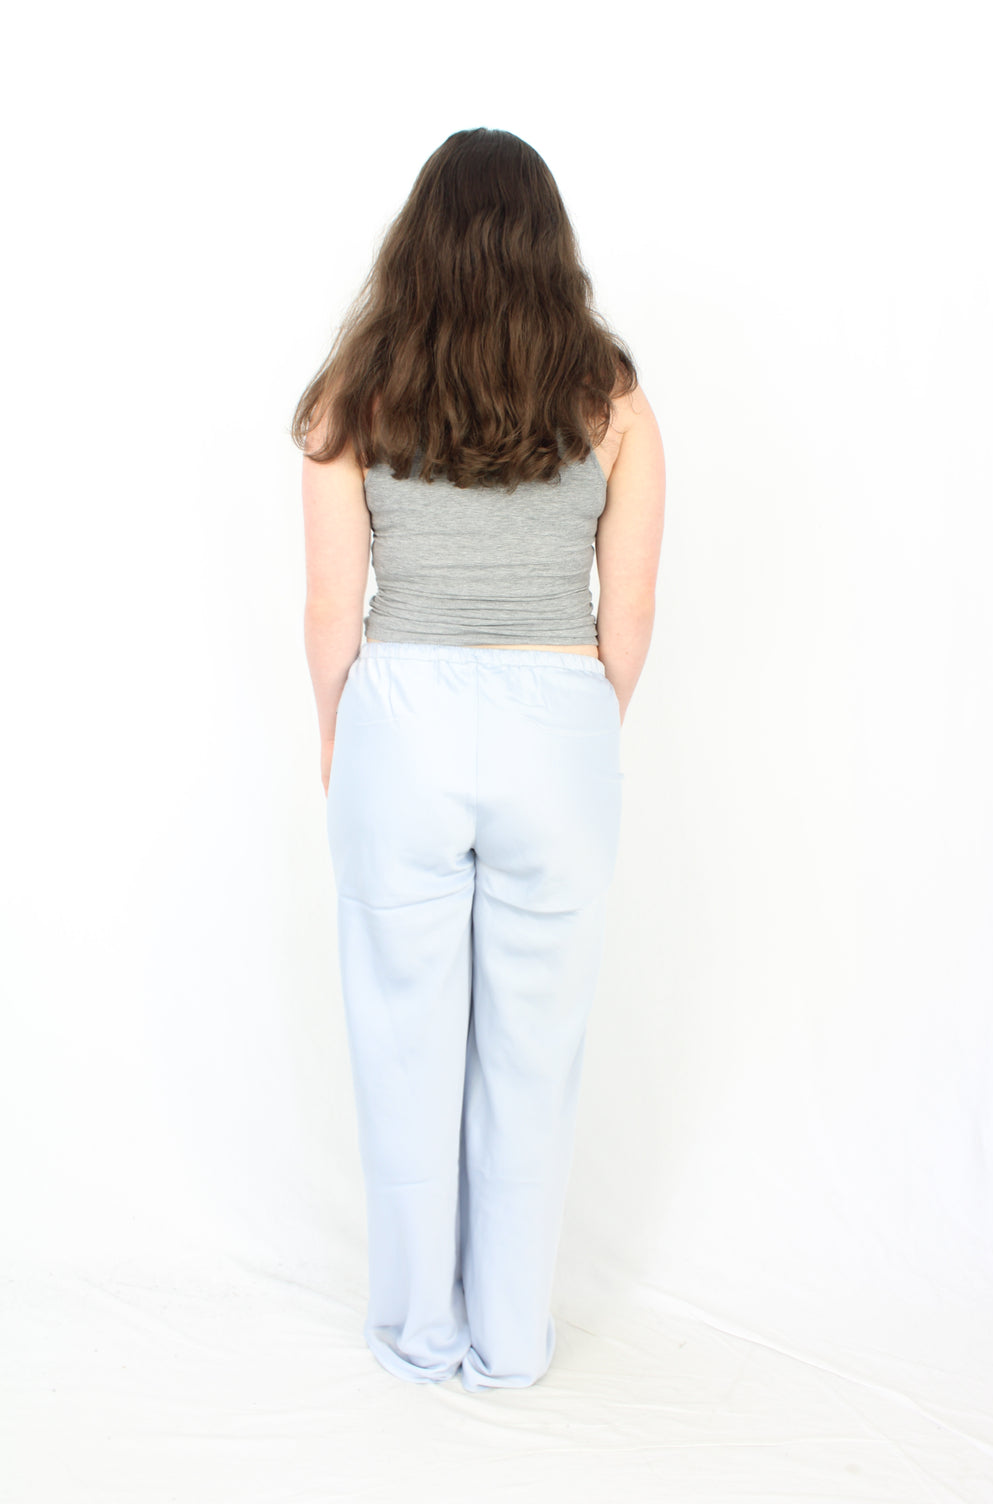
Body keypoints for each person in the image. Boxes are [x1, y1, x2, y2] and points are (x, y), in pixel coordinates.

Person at [294, 128, 665, 1392]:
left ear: (418, 243)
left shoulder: (354, 393)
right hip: (559, 717)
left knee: (400, 1045)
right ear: (550, 248)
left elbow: (330, 614)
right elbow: (630, 618)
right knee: (532, 1057)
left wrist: (337, 737)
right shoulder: (615, 401)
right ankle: (508, 1343)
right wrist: (581, 729)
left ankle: (417, 1335)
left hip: (400, 717)